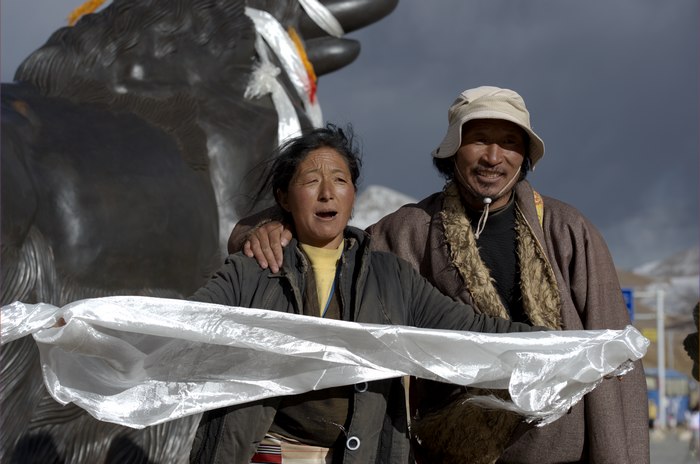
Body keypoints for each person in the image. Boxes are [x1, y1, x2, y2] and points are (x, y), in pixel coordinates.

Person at [229, 86, 650, 463]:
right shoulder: (411, 230)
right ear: (452, 150)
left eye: (509, 142)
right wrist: (264, 227)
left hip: (556, 454)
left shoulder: (567, 230)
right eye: (479, 139)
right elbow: (330, 240)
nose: (493, 156)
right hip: (452, 454)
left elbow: (613, 360)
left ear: (524, 156)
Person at [188, 124, 544, 464]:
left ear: (353, 195)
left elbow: (474, 331)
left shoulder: (392, 278)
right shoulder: (251, 270)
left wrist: (570, 347)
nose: (327, 192)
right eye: (311, 181)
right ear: (283, 196)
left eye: (340, 181)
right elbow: (182, 326)